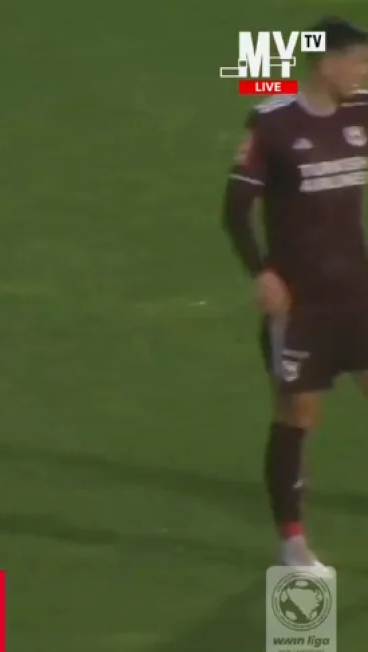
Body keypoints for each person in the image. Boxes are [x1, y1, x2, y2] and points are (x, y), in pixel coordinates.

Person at [222, 16, 368, 571]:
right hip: (301, 306)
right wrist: (261, 272)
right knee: (299, 414)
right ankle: (293, 543)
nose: (364, 72)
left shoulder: (361, 109)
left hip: (358, 294)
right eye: (357, 62)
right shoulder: (273, 124)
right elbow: (235, 210)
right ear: (326, 64)